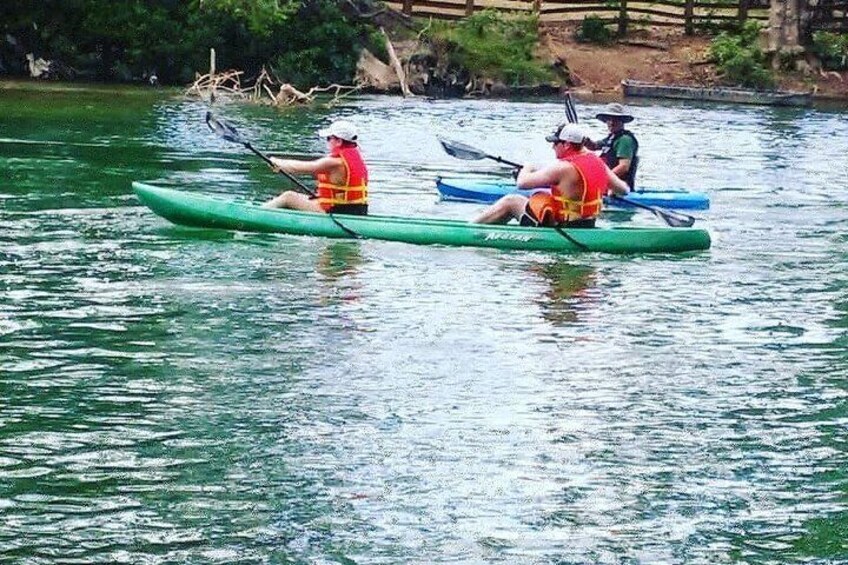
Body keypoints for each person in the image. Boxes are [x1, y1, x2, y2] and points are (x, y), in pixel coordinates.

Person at [471, 123, 629, 228]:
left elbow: (522, 183)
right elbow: (624, 190)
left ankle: (470, 229)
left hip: (562, 229)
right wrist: (609, 190)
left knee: (511, 201)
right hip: (588, 224)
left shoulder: (562, 168)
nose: (552, 147)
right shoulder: (598, 163)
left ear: (566, 144)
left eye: (555, 143)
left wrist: (527, 167)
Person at [263, 120, 368, 215]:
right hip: (358, 209)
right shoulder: (354, 159)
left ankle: (259, 212)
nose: (327, 142)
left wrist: (276, 162)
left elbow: (300, 168)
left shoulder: (334, 162)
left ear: (339, 141)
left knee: (288, 196)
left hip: (337, 211)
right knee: (306, 198)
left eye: (329, 138)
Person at [584, 103, 639, 190]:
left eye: (616, 119)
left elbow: (624, 167)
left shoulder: (625, 140)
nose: (611, 122)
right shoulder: (612, 137)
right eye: (609, 119)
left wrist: (603, 179)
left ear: (622, 121)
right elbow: (593, 146)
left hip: (619, 188)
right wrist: (584, 140)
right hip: (608, 184)